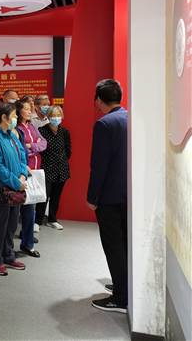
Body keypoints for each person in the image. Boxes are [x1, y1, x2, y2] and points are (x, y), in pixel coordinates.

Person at [87, 79, 128, 314]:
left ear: (98, 100)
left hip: (109, 196)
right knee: (126, 242)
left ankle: (121, 297)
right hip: (128, 193)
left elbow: (99, 165)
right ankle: (125, 285)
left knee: (113, 244)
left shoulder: (104, 124)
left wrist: (92, 196)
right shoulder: (129, 118)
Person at [0, 102, 28, 276]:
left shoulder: (12, 135)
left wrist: (23, 176)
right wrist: (17, 183)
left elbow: (22, 157)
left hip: (16, 188)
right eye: (14, 115)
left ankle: (8, 255)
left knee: (11, 225)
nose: (17, 118)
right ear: (4, 117)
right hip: (0, 190)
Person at [15, 101, 43, 257]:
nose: (30, 111)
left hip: (34, 172)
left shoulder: (31, 126)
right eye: (26, 109)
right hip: (22, 172)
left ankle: (27, 243)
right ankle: (9, 248)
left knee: (30, 211)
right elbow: (22, 151)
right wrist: (33, 147)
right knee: (17, 212)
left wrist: (32, 146)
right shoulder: (17, 129)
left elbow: (43, 143)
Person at [37, 105, 71, 230]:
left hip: (61, 169)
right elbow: (39, 150)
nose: (56, 118)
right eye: (53, 115)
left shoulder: (64, 132)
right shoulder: (41, 131)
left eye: (58, 115)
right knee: (43, 196)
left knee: (56, 196)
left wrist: (61, 160)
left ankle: (52, 219)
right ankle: (37, 221)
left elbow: (68, 150)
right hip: (46, 168)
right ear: (48, 117)